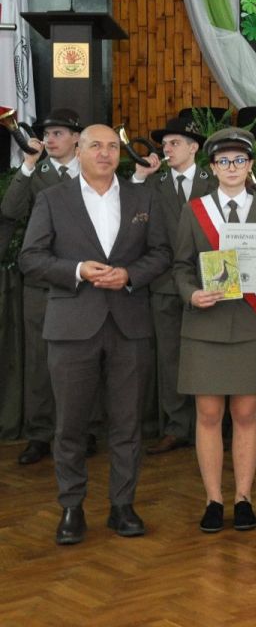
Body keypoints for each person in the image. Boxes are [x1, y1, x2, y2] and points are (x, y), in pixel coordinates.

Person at [19, 124, 172, 545]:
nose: (105, 153)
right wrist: (77, 270)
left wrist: (129, 275)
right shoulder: (53, 198)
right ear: (79, 150)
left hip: (129, 325)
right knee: (70, 425)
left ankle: (123, 506)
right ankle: (71, 507)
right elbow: (31, 257)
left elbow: (162, 253)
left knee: (128, 423)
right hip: (72, 327)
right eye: (95, 146)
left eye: (111, 147)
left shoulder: (143, 197)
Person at [174, 127, 256, 533]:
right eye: (223, 161)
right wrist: (191, 294)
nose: (232, 167)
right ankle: (213, 500)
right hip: (205, 324)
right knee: (208, 415)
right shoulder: (194, 211)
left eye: (239, 160)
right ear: (213, 167)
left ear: (250, 165)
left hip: (249, 325)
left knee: (245, 413)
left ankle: (243, 498)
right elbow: (181, 266)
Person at [1, 108, 88, 466]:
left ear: (76, 138)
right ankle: (40, 434)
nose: (50, 140)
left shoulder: (93, 172)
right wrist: (26, 166)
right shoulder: (35, 173)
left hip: (85, 281)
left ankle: (83, 431)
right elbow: (9, 211)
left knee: (84, 360)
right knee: (39, 360)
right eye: (47, 134)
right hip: (42, 283)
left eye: (58, 134)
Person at [130, 115, 218, 456]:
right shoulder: (153, 183)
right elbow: (128, 208)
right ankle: (176, 427)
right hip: (165, 283)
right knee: (170, 358)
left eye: (174, 143)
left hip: (209, 283)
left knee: (209, 354)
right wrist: (140, 176)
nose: (167, 149)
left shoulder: (215, 181)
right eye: (165, 144)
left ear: (194, 148)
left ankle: (211, 426)